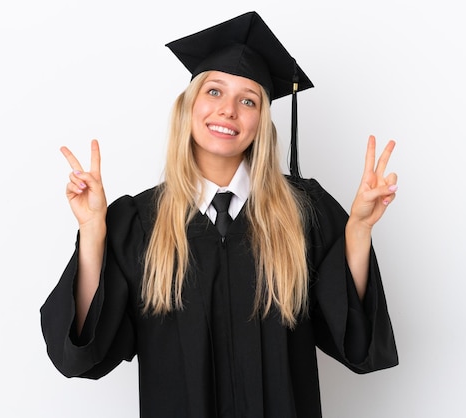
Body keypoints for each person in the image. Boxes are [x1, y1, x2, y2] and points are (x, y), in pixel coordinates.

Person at [40, 11, 399, 418]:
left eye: (248, 100)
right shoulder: (138, 222)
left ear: (261, 121)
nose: (228, 110)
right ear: (188, 106)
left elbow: (354, 338)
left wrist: (359, 230)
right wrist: (92, 233)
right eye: (214, 92)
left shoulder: (304, 211)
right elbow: (82, 353)